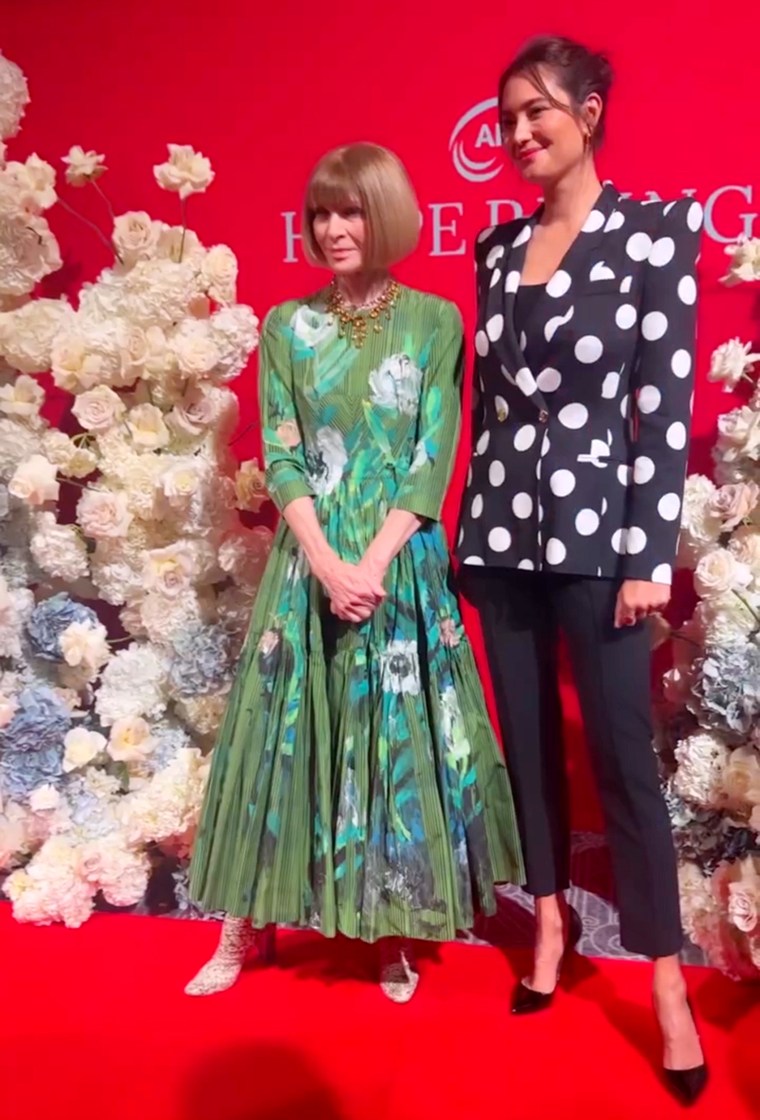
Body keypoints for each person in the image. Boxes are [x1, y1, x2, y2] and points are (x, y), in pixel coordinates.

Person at [186, 142, 524, 1003]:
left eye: (352, 211)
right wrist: (327, 562)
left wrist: (370, 564)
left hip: (396, 567)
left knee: (392, 748)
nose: (336, 229)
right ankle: (242, 924)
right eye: (323, 215)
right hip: (310, 566)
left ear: (386, 214)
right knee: (280, 740)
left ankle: (389, 931)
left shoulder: (434, 320)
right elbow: (285, 457)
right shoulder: (286, 327)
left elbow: (432, 454)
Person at [457, 36, 707, 1104]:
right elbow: (494, 407)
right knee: (526, 749)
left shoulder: (653, 237)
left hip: (604, 542)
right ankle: (550, 918)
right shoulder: (493, 247)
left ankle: (662, 982)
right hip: (500, 535)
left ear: (590, 112)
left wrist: (648, 554)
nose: (518, 133)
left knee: (621, 761)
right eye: (506, 116)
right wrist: (467, 525)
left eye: (537, 112)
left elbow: (664, 407)